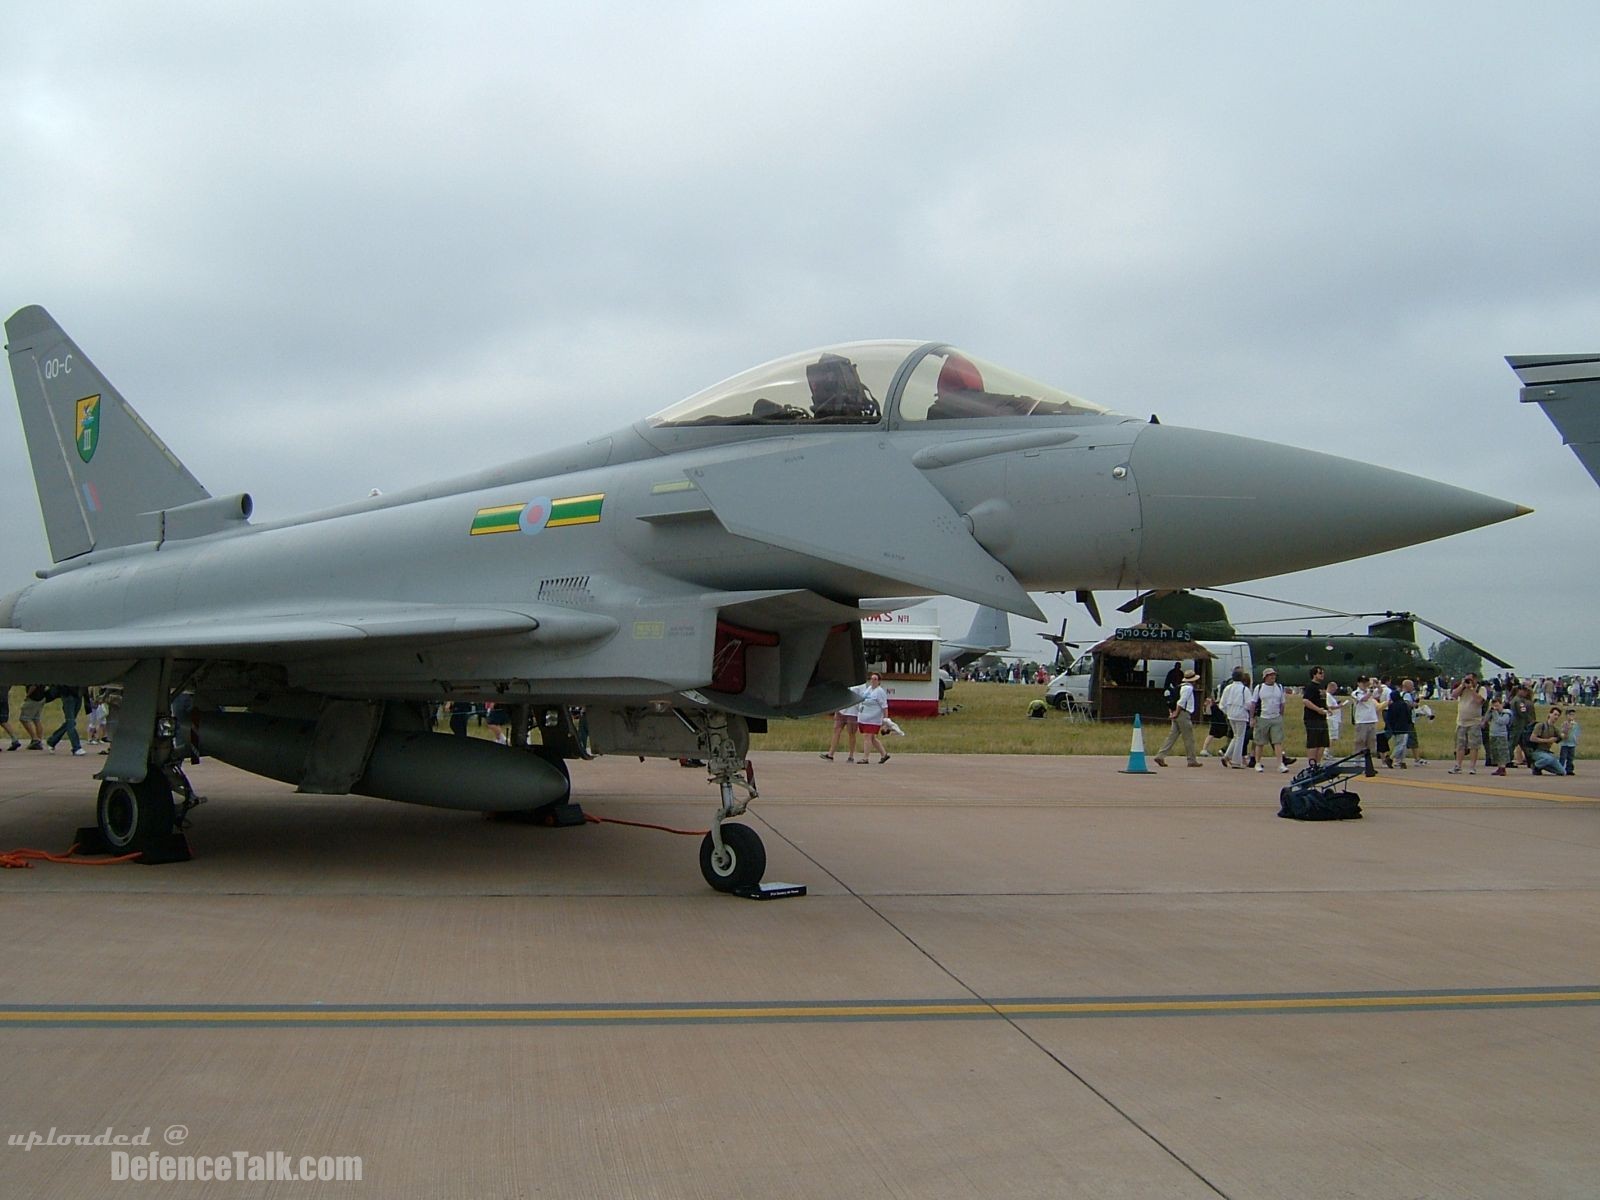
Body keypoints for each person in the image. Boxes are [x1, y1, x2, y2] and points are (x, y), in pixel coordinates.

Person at [1153, 669, 1203, 767]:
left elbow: (1173, 700)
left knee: (1172, 737)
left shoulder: (1179, 687)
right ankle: (1191, 760)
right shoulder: (1188, 688)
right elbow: (1181, 701)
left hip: (1177, 713)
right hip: (1183, 713)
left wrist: (1172, 712)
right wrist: (1176, 712)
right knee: (1189, 738)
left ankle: (1160, 755)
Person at [1248, 667, 1291, 773]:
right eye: (1270, 675)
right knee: (1260, 742)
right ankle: (1257, 763)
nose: (1273, 677)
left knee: (1277, 741)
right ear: (1265, 677)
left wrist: (1281, 715)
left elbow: (1282, 703)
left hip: (1276, 717)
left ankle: (1280, 764)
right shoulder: (1259, 688)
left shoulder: (1279, 687)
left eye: (1274, 675)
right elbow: (1253, 703)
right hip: (1263, 717)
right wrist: (1252, 717)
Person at [850, 673, 892, 765]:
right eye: (871, 679)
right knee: (872, 738)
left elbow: (884, 707)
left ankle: (865, 758)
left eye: (875, 679)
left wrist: (885, 721)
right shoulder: (868, 689)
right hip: (864, 718)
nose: (873, 681)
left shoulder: (880, 692)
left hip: (873, 719)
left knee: (867, 737)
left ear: (879, 681)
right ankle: (884, 754)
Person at [1451, 674, 1486, 775]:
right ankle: (1458, 766)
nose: (1468, 681)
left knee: (1473, 745)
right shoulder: (1462, 688)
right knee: (1460, 745)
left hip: (1474, 721)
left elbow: (1479, 700)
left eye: (1470, 679)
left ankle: (1472, 767)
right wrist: (1462, 685)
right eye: (1467, 679)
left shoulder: (1481, 689)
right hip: (1461, 721)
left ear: (1475, 680)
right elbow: (1453, 695)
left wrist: (1471, 689)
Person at [1217, 669, 1252, 768]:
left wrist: (1227, 712)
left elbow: (1222, 704)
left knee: (1236, 736)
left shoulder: (1228, 688)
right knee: (1240, 738)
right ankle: (1236, 761)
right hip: (1241, 716)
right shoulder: (1244, 689)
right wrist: (1246, 711)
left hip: (1230, 715)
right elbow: (1249, 704)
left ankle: (1227, 755)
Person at [1349, 675, 1382, 778]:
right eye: (1362, 682)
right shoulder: (1356, 693)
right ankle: (1357, 761)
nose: (1364, 684)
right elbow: (1363, 699)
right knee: (1360, 741)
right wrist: (1370, 691)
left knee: (1371, 742)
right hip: (1362, 721)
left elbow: (1380, 691)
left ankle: (1368, 764)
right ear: (1358, 683)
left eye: (1366, 682)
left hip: (1371, 719)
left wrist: (1377, 684)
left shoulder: (1370, 691)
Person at [1383, 678, 1416, 769]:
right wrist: (1410, 722)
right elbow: (1408, 715)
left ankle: (1401, 761)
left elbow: (1389, 718)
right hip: (1403, 727)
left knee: (1400, 744)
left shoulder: (1391, 706)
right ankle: (1391, 758)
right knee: (1401, 744)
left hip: (1395, 728)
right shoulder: (1403, 705)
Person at [1301, 667, 1331, 770]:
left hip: (1322, 718)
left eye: (1323, 672)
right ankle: (1312, 765)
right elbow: (1305, 701)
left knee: (1322, 742)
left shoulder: (1321, 686)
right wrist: (1317, 709)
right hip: (1312, 718)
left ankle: (1317, 764)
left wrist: (1327, 709)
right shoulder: (1310, 686)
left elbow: (1321, 700)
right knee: (1313, 741)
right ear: (1314, 674)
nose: (1322, 674)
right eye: (1320, 673)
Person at [45, 684, 86, 756]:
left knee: (70, 722)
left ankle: (52, 740)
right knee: (71, 722)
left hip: (78, 694)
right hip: (68, 695)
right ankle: (76, 747)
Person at [1526, 708, 1567, 776]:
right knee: (1549, 759)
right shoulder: (1540, 726)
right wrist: (1548, 740)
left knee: (1562, 772)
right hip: (1537, 751)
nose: (1556, 717)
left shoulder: (1554, 729)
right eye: (1555, 714)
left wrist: (1566, 731)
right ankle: (1535, 766)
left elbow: (1562, 737)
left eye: (1558, 715)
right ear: (1549, 714)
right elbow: (1532, 738)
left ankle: (1540, 766)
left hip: (1547, 753)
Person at [821, 697, 861, 762]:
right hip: (841, 711)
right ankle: (830, 754)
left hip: (852, 713)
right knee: (836, 730)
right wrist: (836, 710)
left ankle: (851, 756)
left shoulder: (861, 686)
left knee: (851, 733)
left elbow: (860, 699)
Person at [1485, 697, 1512, 776]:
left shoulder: (1506, 713)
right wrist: (1489, 711)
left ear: (1502, 704)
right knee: (1495, 752)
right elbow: (1486, 719)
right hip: (1493, 734)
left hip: (1501, 735)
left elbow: (1501, 721)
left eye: (1497, 705)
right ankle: (1499, 767)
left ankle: (1503, 768)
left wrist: (1495, 712)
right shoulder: (1492, 712)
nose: (1496, 708)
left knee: (1502, 752)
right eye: (1494, 706)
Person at [19, 684, 48, 749]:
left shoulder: (33, 675)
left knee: (24, 719)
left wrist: (28, 695)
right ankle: (39, 740)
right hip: (41, 697)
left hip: (33, 698)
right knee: (36, 719)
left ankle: (35, 739)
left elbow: (34, 685)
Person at [1559, 708, 1580, 776]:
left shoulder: (1576, 724)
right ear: (1566, 715)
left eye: (1573, 715)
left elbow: (1577, 732)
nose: (1571, 716)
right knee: (1563, 757)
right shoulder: (1564, 724)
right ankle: (1560, 769)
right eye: (1570, 714)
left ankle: (1569, 769)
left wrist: (1576, 739)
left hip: (1572, 743)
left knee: (1570, 758)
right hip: (1565, 743)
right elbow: (1562, 732)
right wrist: (1567, 728)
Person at [1, 686, 22, 751]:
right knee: (3, 721)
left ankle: (15, 739)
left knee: (3, 721)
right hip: (3, 698)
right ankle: (14, 739)